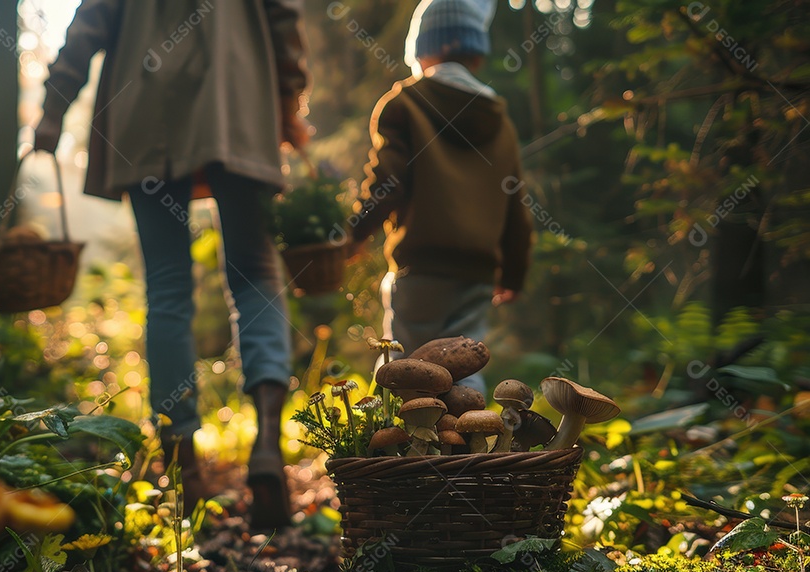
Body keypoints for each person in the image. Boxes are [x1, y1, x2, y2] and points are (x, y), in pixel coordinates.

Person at [33, 0, 309, 529]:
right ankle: (269, 442)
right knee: (257, 275)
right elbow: (284, 18)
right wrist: (287, 100)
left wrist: (53, 108)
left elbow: (90, 22)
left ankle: (184, 467)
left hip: (147, 112)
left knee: (167, 289)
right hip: (237, 103)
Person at [348, 0, 533, 393]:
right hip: (478, 274)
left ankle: (398, 452)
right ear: (476, 54)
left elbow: (388, 183)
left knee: (403, 366)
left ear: (422, 48)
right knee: (466, 368)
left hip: (421, 265)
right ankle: (466, 449)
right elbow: (516, 205)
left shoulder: (404, 103)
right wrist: (514, 272)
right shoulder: (501, 122)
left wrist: (355, 232)